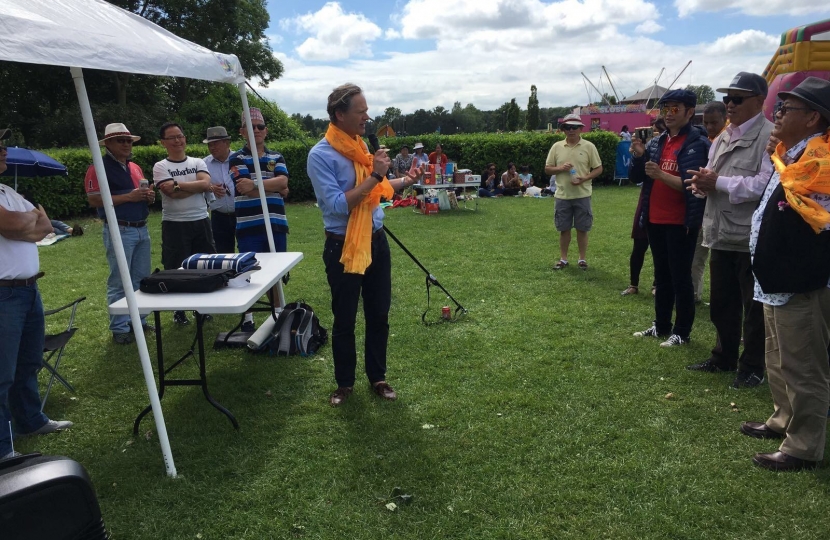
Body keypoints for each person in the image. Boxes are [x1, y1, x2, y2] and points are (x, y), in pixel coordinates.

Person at [306, 83, 421, 407]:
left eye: (367, 110)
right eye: (361, 111)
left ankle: (378, 377)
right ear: (339, 114)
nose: (367, 117)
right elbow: (338, 205)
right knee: (344, 319)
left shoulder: (361, 149)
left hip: (376, 244)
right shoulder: (321, 155)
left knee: (379, 314)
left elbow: (377, 189)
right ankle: (344, 384)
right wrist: (375, 175)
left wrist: (404, 181)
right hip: (342, 247)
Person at [739, 77, 830, 471]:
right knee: (777, 356)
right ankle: (783, 419)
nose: (775, 115)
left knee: (804, 365)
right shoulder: (787, 156)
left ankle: (804, 446)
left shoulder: (820, 163)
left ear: (812, 117)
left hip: (800, 281)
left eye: (785, 109)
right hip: (774, 278)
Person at [684, 73, 774, 388]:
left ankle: (752, 367)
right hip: (719, 230)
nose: (730, 104)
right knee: (722, 302)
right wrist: (702, 185)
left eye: (737, 98)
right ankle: (723, 357)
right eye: (727, 99)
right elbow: (714, 176)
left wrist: (717, 183)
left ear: (760, 100)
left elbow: (765, 184)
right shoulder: (723, 136)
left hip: (750, 236)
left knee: (754, 309)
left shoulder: (770, 136)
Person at [1, 145, 73, 460]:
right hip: (4, 294)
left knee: (28, 361)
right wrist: (27, 220)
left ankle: (30, 420)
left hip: (28, 291)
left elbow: (44, 228)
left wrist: (25, 222)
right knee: (2, 372)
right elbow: (22, 225)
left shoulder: (7, 192)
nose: (3, 151)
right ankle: (3, 448)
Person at [630, 89, 709, 347]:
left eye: (675, 108)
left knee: (680, 277)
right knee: (661, 276)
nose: (669, 114)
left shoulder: (697, 143)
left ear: (690, 111)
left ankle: (682, 332)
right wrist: (640, 157)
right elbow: (638, 177)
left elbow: (693, 184)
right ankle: (661, 325)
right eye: (665, 109)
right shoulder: (658, 141)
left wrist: (662, 175)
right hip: (655, 218)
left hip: (680, 221)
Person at [84, 123, 155, 344]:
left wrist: (147, 197)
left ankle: (138, 321)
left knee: (141, 278)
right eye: (120, 141)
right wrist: (129, 197)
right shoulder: (98, 166)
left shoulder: (134, 166)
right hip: (119, 228)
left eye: (128, 140)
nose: (126, 144)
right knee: (119, 280)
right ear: (108, 144)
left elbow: (138, 194)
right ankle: (120, 328)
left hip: (141, 227)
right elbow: (94, 199)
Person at [229, 108, 291, 333]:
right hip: (249, 225)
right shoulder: (236, 157)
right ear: (242, 132)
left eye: (260, 127)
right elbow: (243, 188)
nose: (256, 130)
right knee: (247, 271)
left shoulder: (277, 156)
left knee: (275, 271)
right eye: (250, 127)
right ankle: (248, 318)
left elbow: (283, 181)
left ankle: (277, 315)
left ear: (266, 131)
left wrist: (255, 185)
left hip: (275, 224)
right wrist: (273, 187)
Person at [153, 122, 217, 326]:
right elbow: (170, 193)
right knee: (176, 267)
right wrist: (195, 187)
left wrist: (179, 185)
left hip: (200, 220)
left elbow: (206, 184)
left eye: (180, 136)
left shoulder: (198, 161)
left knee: (204, 265)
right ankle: (179, 310)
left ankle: (202, 308)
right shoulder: (161, 166)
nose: (178, 140)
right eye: (172, 138)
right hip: (175, 224)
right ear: (163, 142)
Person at [544, 113, 603, 270]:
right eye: (568, 127)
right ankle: (563, 259)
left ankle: (582, 259)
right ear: (563, 129)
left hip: (582, 194)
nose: (571, 130)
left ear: (581, 129)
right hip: (562, 195)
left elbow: (598, 168)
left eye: (574, 127)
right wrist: (560, 168)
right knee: (564, 229)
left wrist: (584, 179)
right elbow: (548, 169)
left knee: (582, 229)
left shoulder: (589, 146)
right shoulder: (556, 147)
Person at [689, 101, 729, 304]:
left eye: (714, 122)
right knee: (698, 256)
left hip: (729, 215)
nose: (710, 127)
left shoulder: (726, 141)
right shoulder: (708, 142)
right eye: (706, 123)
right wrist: (699, 184)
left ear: (725, 118)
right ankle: (694, 294)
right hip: (704, 211)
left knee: (724, 262)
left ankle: (726, 300)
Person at [621, 118, 666, 297]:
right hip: (647, 200)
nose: (652, 134)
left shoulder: (672, 148)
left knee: (660, 248)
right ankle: (633, 284)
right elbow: (636, 177)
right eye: (651, 131)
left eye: (656, 131)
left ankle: (657, 284)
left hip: (664, 202)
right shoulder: (647, 150)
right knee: (639, 245)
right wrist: (639, 155)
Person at [203, 126, 236, 254]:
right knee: (223, 255)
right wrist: (210, 187)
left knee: (248, 251)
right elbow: (198, 185)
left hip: (242, 213)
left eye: (216, 143)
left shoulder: (239, 159)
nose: (212, 147)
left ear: (227, 143)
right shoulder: (203, 164)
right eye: (209, 145)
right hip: (219, 217)